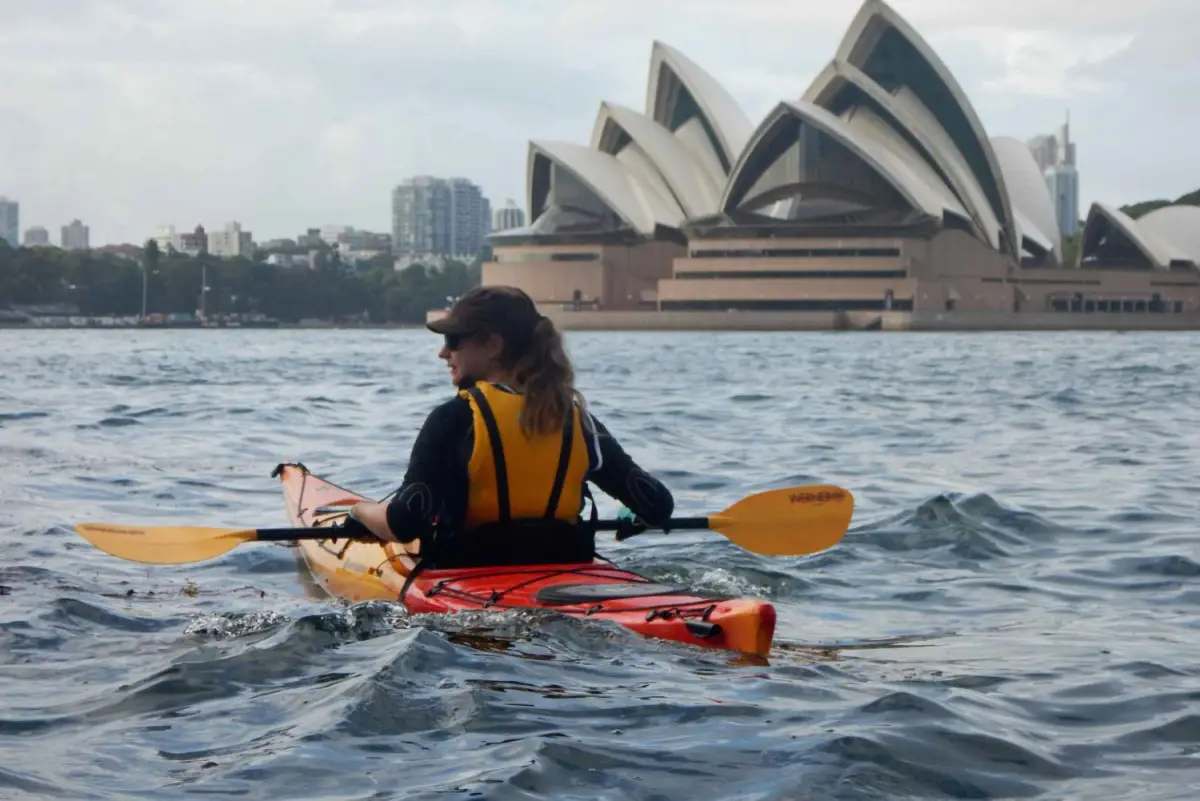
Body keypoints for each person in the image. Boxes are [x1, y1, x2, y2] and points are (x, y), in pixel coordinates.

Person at [345, 285, 675, 568]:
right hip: (570, 575)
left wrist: (359, 512)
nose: (443, 352)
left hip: (471, 585)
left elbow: (404, 522)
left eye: (453, 339)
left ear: (493, 345)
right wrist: (635, 513)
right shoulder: (579, 419)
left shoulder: (455, 418)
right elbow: (657, 504)